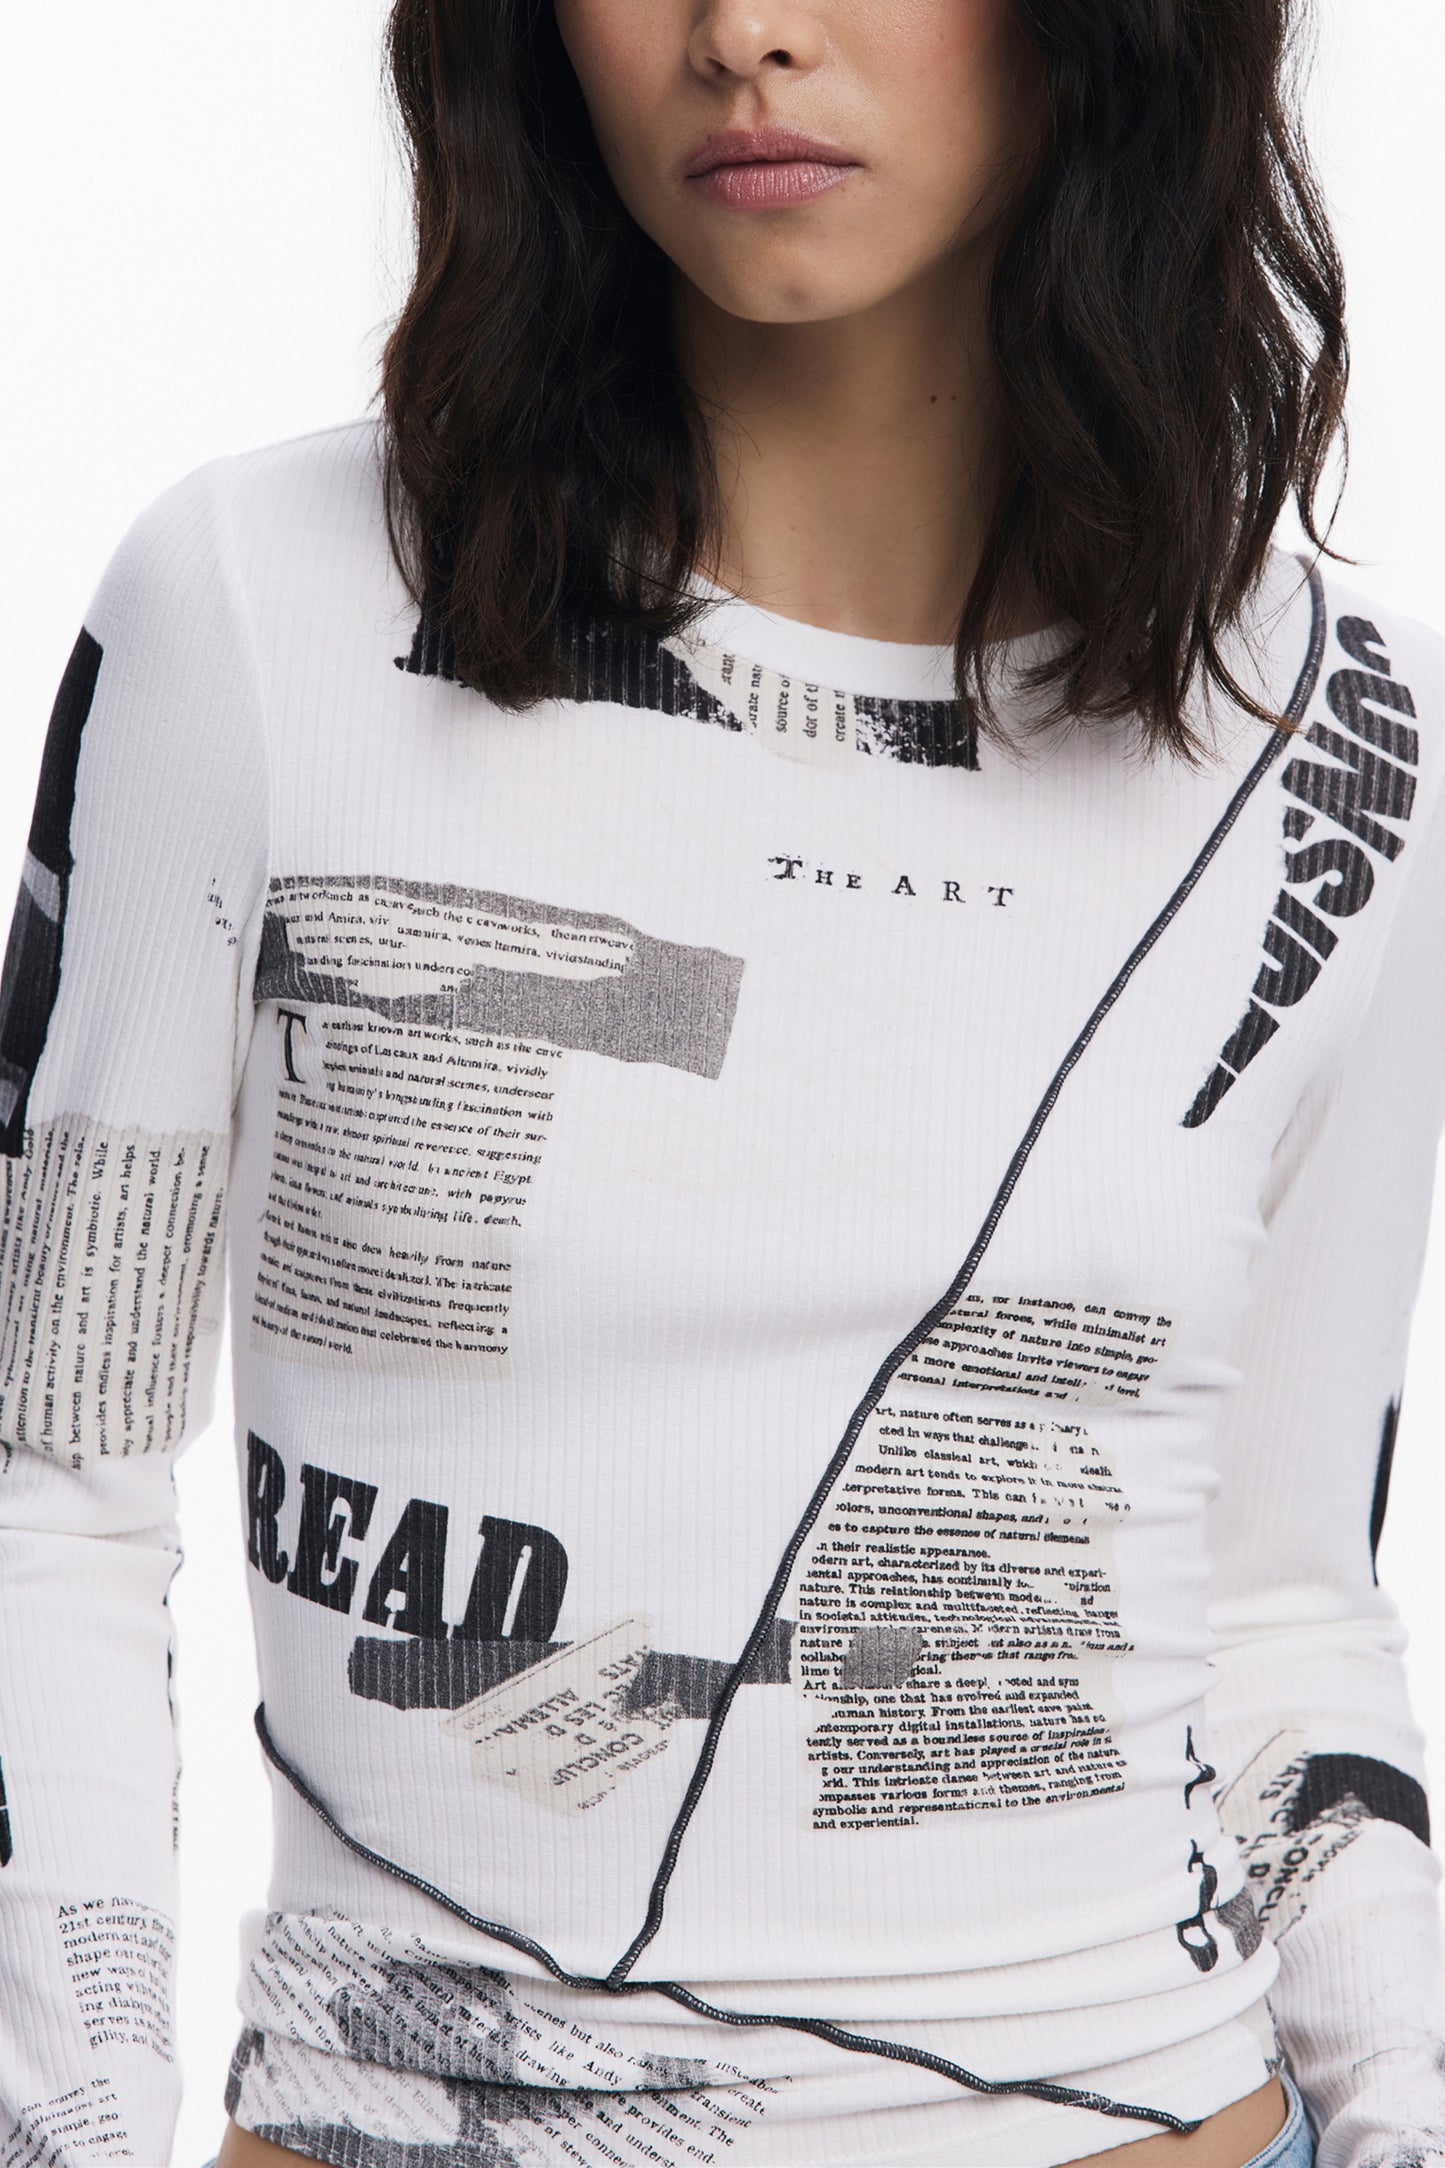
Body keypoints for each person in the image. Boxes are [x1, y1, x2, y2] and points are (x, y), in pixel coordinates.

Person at [1, 1, 1442, 2164]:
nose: (745, 30)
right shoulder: (257, 615)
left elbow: (1282, 1602)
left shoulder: (1330, 737)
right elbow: (50, 1492)